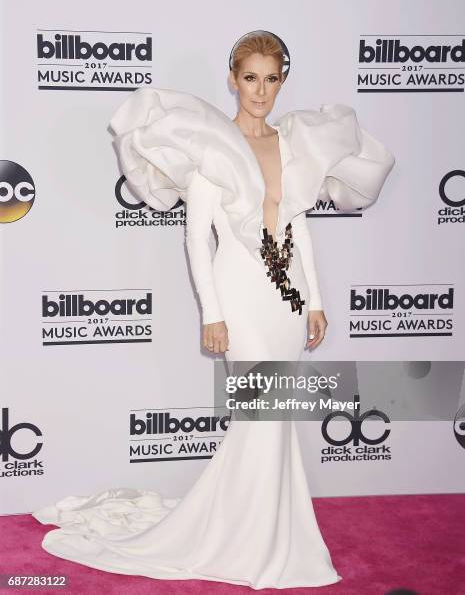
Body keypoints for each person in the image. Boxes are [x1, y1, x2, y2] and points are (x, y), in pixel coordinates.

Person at [32, 31, 395, 589]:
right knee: (261, 420)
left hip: (287, 305)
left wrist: (316, 302)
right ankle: (245, 541)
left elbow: (298, 226)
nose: (261, 90)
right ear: (232, 78)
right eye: (250, 77)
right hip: (240, 301)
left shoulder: (290, 145)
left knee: (273, 422)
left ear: (282, 82)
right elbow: (196, 239)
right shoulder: (211, 144)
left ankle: (272, 531)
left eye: (271, 79)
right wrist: (213, 313)